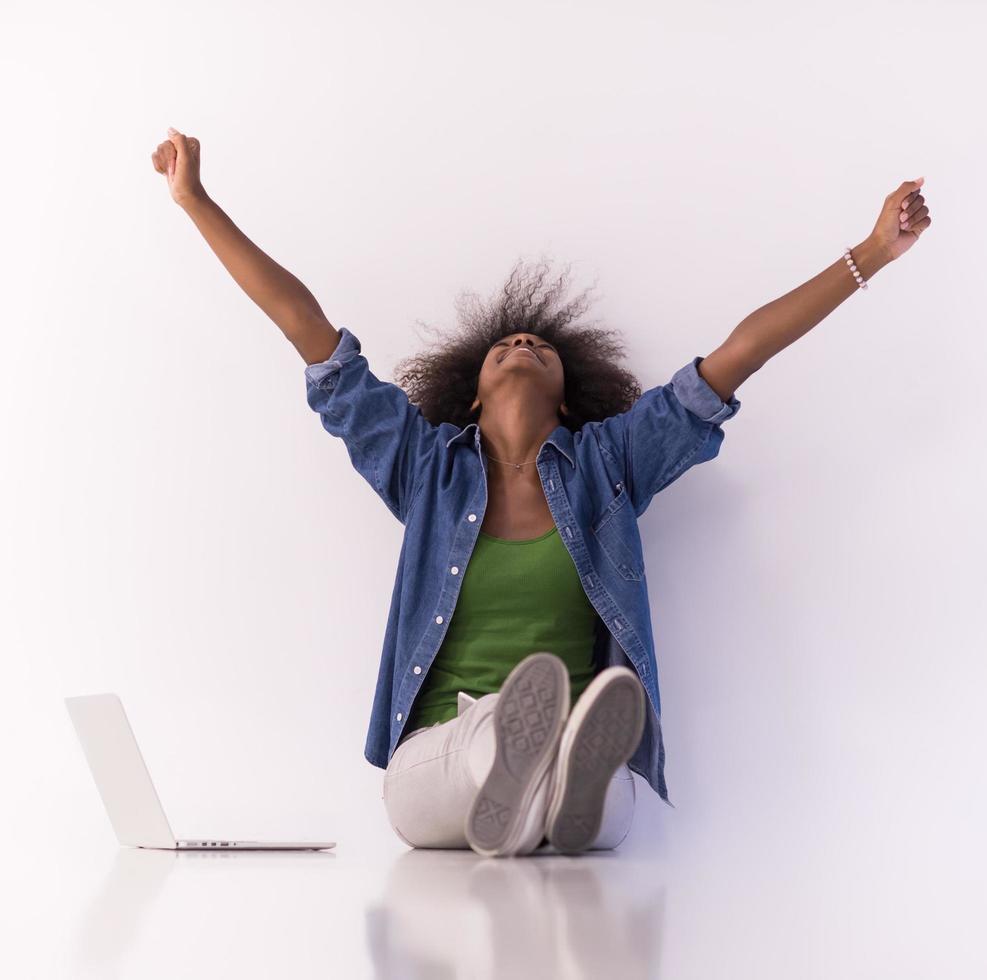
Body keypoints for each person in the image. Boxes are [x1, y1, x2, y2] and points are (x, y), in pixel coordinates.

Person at [151, 127, 932, 857]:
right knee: (482, 751)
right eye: (503, 347)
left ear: (566, 397)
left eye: (539, 347)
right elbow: (305, 325)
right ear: (469, 397)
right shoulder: (424, 467)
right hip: (435, 761)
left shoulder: (611, 461)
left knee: (604, 801)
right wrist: (195, 201)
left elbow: (740, 352)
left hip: (573, 775)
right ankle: (526, 769)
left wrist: (870, 252)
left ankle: (551, 783)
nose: (521, 344)